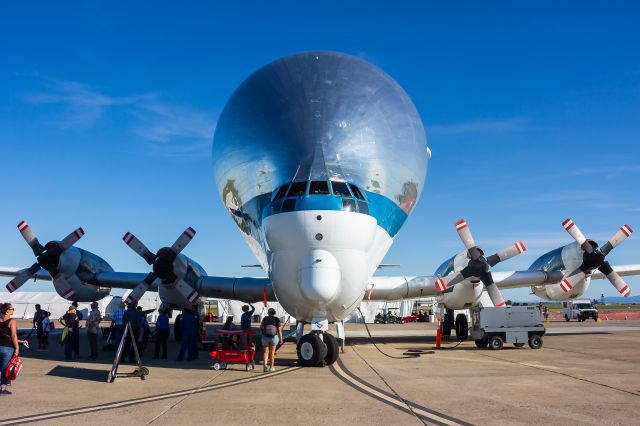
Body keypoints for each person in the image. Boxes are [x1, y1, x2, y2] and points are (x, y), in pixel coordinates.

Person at [0, 303, 25, 395]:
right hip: (7, 348)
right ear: (7, 311)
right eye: (12, 309)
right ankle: (2, 389)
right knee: (5, 368)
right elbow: (13, 336)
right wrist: (17, 348)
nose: (13, 310)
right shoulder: (12, 321)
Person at [260, 308, 282, 373]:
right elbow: (279, 330)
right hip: (273, 338)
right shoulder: (277, 319)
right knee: (272, 353)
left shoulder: (265, 318)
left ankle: (265, 366)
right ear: (274, 313)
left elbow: (261, 327)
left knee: (265, 352)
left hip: (265, 337)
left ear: (268, 313)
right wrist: (281, 338)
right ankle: (271, 367)